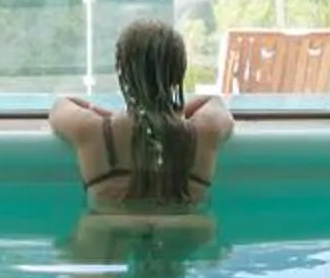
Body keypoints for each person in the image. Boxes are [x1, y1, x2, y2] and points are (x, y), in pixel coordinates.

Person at [51, 17, 234, 212]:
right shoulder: (206, 130)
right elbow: (213, 101)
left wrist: (108, 115)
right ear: (179, 72)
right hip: (189, 236)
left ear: (121, 70)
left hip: (107, 237)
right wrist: (168, 113)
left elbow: (61, 105)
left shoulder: (91, 129)